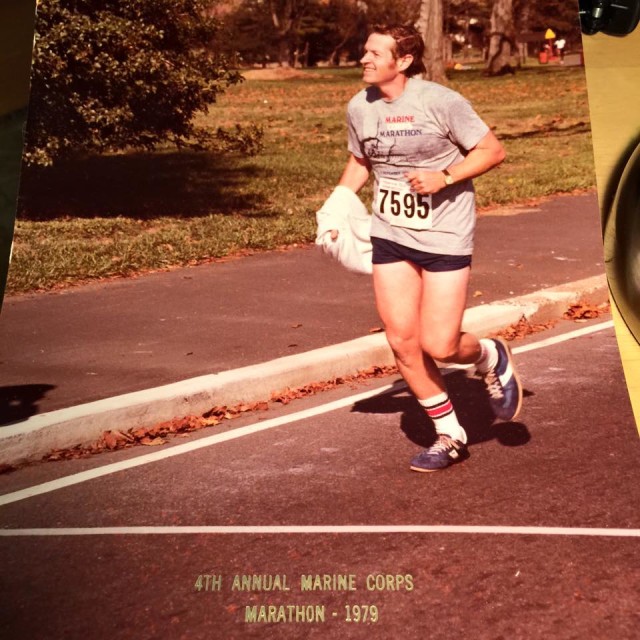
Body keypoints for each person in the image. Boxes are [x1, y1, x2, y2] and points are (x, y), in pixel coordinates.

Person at [332, 24, 522, 472]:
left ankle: (488, 355)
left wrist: (446, 177)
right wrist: (336, 204)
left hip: (444, 234)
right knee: (402, 341)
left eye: (375, 53)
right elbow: (361, 160)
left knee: (440, 343)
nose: (365, 58)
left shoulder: (441, 102)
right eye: (365, 51)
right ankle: (449, 435)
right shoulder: (359, 106)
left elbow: (492, 151)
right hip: (391, 233)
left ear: (403, 62)